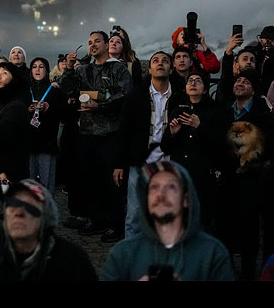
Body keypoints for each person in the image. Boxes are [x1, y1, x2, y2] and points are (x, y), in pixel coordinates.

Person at [100, 160, 234, 281]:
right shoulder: (123, 254)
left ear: (186, 199)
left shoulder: (212, 253)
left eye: (170, 187)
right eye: (154, 187)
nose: (160, 194)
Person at [61, 31, 132, 238]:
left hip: (110, 133)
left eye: (96, 41)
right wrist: (68, 69)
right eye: (89, 42)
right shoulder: (84, 69)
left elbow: (125, 96)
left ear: (107, 44)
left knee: (111, 182)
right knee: (90, 180)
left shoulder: (118, 68)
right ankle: (97, 220)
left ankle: (115, 225)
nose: (92, 45)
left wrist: (99, 106)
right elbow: (69, 90)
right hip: (86, 132)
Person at [0, 178, 97, 281]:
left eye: (30, 206)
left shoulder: (73, 261)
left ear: (46, 217)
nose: (19, 212)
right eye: (13, 204)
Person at [216, 70, 274, 280]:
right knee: (224, 229)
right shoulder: (224, 111)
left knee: (249, 229)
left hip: (252, 182)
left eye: (246, 81)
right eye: (238, 80)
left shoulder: (263, 116)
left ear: (253, 89)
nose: (240, 83)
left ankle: (249, 273)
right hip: (226, 181)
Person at [114, 51, 174, 242]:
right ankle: (132, 258)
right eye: (155, 61)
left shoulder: (179, 95)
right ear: (149, 69)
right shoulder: (136, 95)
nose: (160, 64)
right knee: (134, 215)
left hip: (168, 164)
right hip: (140, 163)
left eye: (165, 61)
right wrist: (119, 163)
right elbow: (124, 130)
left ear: (171, 68)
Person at [160, 71, 228, 233]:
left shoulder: (216, 110)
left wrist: (200, 127)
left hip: (204, 178)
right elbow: (165, 147)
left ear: (205, 89)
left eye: (198, 81)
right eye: (190, 80)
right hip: (180, 176)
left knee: (203, 224)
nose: (193, 83)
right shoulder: (178, 110)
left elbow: (222, 144)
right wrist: (173, 133)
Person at [26, 57, 65, 193]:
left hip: (47, 142)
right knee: (28, 183)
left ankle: (48, 213)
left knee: (46, 184)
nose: (37, 69)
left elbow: (63, 114)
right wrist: (28, 109)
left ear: (47, 70)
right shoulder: (25, 91)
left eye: (41, 67)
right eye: (34, 66)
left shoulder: (54, 91)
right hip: (28, 143)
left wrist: (48, 108)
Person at [217, 28, 258, 103]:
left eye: (252, 60)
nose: (249, 62)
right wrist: (229, 51)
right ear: (236, 64)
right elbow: (226, 74)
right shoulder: (228, 84)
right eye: (245, 59)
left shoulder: (259, 85)